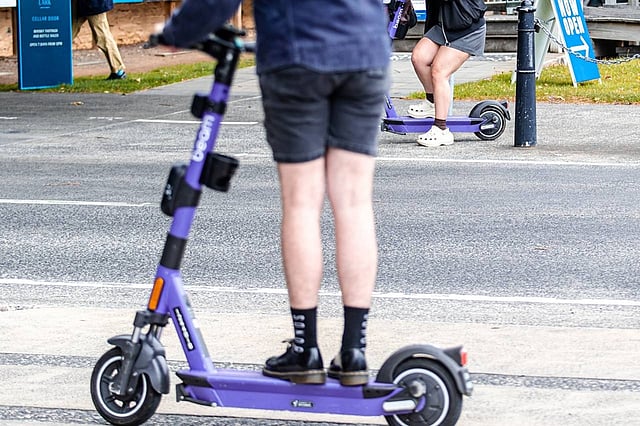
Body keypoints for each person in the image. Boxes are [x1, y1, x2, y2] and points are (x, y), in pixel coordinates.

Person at [160, 1, 390, 386]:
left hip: (296, 51)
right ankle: (354, 350)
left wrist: (179, 31)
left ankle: (305, 349)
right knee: (354, 202)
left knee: (302, 203)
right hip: (364, 48)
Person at [409, 0, 487, 147]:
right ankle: (432, 102)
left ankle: (441, 129)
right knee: (419, 58)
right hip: (444, 26)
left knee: (439, 71)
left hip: (467, 27)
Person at [71, 0, 127, 80]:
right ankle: (57, 68)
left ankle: (118, 70)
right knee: (65, 35)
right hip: (78, 2)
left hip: (94, 3)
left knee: (102, 36)